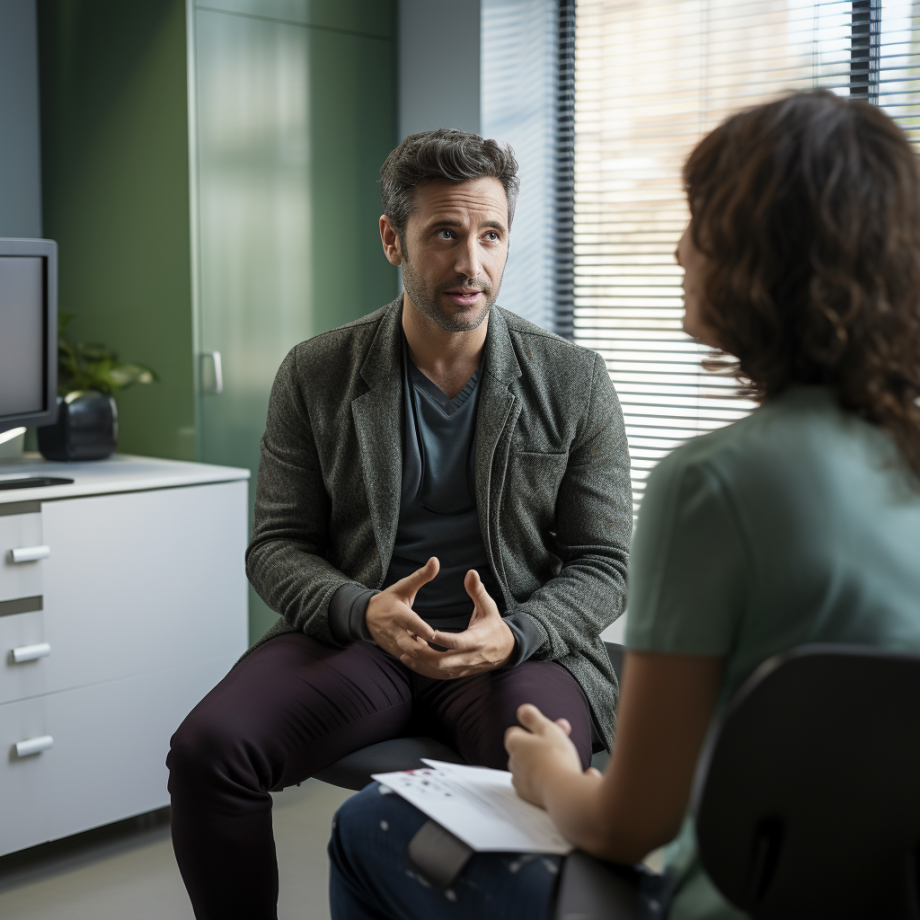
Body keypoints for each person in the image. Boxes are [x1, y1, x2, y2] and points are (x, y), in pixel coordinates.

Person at [328, 89, 920, 920]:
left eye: (700, 225)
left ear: (763, 260)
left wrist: (551, 776)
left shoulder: (715, 483)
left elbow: (628, 824)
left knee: (369, 822)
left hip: (721, 901)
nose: (680, 252)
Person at [166, 128, 632, 920]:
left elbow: (603, 564)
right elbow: (276, 546)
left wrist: (515, 634)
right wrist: (362, 608)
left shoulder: (574, 381)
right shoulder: (317, 372)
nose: (471, 264)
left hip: (510, 646)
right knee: (210, 751)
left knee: (538, 791)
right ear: (393, 239)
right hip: (360, 639)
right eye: (444, 234)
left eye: (490, 236)